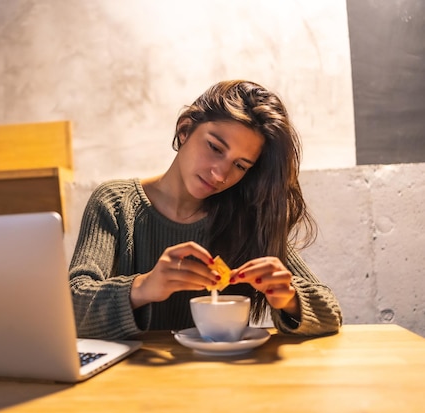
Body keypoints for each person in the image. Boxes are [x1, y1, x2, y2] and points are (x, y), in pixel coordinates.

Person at [69, 80, 342, 340]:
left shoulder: (245, 217)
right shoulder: (115, 204)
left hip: (224, 377)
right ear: (184, 129)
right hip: (131, 382)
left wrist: (290, 298)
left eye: (240, 166)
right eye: (215, 147)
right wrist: (144, 287)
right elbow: (72, 307)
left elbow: (331, 313)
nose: (220, 174)